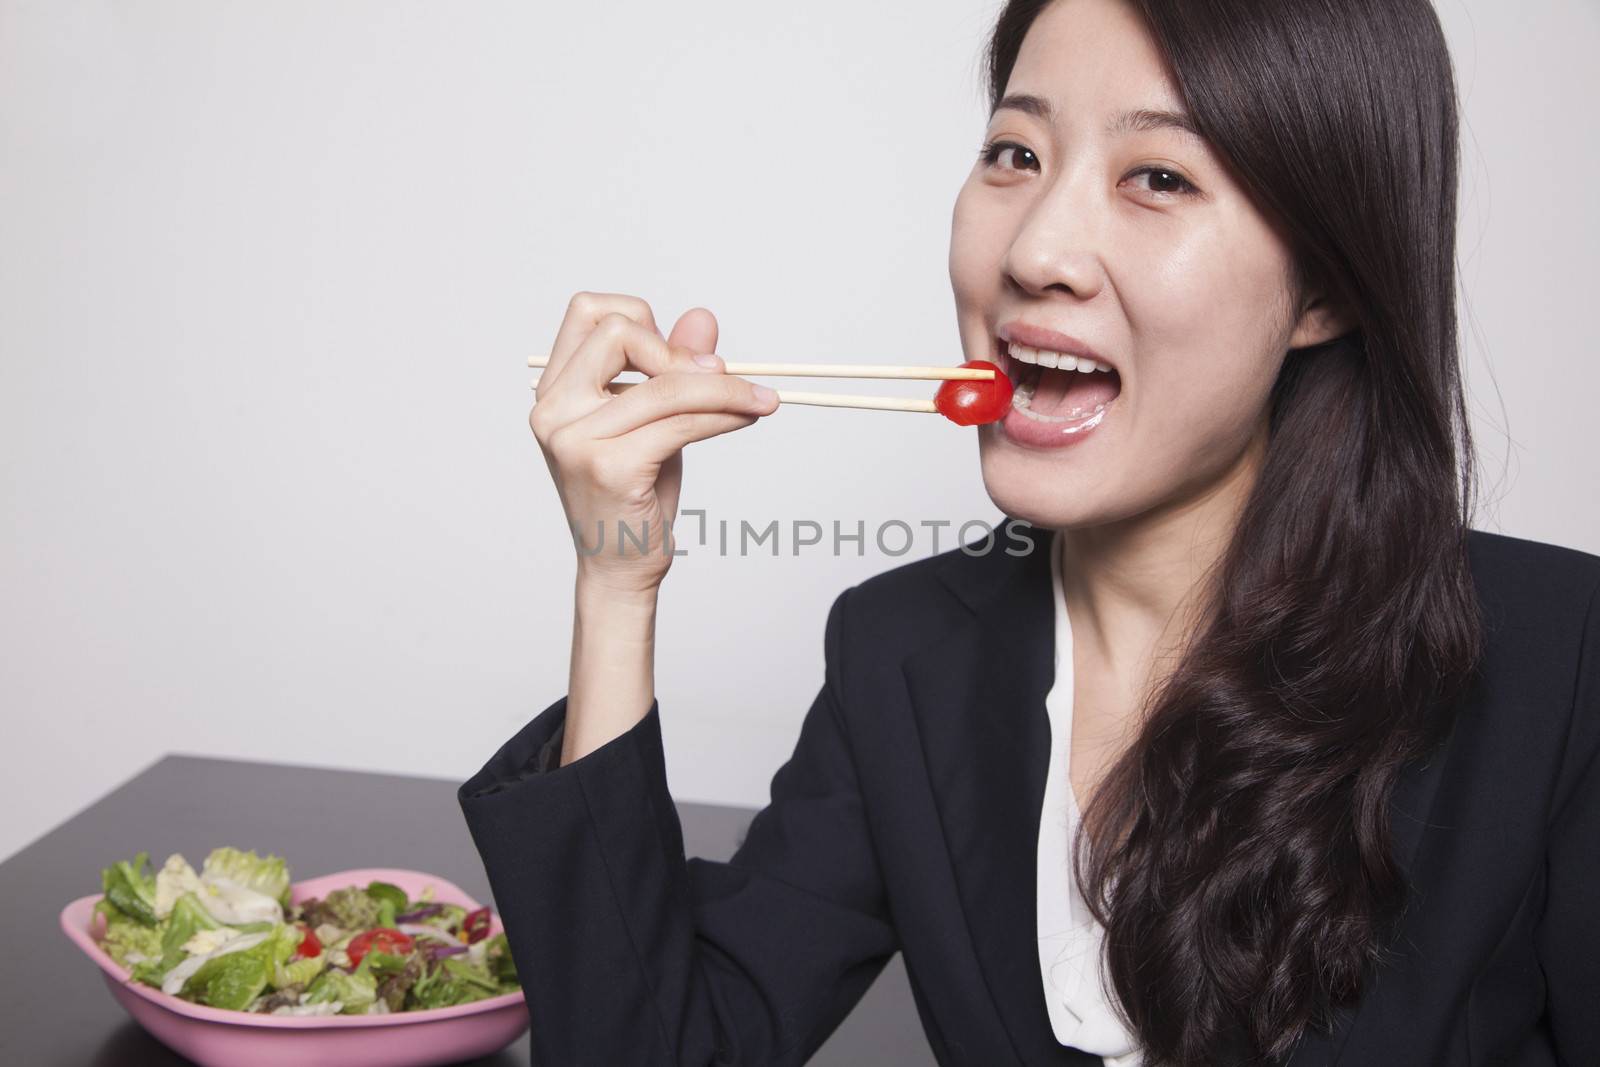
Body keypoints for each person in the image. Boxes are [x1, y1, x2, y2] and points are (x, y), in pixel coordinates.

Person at [458, 0, 1600, 1064]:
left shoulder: (1566, 663)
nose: (1035, 251)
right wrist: (617, 574)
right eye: (1014, 154)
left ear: (1322, 288)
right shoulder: (902, 654)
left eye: (1157, 175)